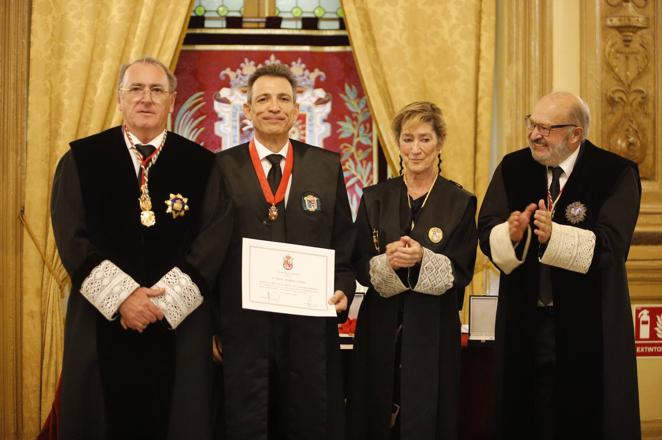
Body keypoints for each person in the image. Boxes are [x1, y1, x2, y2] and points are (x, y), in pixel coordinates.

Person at [51, 57, 232, 439]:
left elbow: (214, 239)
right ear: (119, 98)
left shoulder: (202, 166)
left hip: (178, 329)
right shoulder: (82, 161)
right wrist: (124, 299)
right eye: (136, 89)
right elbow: (71, 236)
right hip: (103, 323)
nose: (145, 98)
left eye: (156, 90)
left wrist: (158, 306)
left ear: (172, 100)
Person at [477, 91, 641, 440]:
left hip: (588, 323)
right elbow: (486, 226)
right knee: (523, 416)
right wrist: (511, 234)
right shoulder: (513, 166)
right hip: (524, 320)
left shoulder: (615, 173)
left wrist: (555, 237)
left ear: (575, 134)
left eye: (546, 128)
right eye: (532, 124)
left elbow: (612, 245)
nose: (534, 135)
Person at [207, 63, 355, 439]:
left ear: (296, 110)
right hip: (242, 328)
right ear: (248, 111)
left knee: (306, 420)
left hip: (307, 329)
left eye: (283, 99)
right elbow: (208, 252)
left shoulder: (325, 167)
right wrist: (211, 324)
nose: (274, 107)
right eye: (264, 99)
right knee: (245, 421)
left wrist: (343, 287)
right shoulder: (220, 168)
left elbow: (343, 243)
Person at [347, 101, 478, 440]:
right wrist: (385, 263)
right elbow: (358, 261)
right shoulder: (374, 196)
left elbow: (463, 268)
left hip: (432, 325)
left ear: (440, 142)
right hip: (379, 324)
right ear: (398, 143)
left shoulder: (460, 201)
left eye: (424, 139)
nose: (415, 149)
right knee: (374, 412)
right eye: (407, 139)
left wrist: (422, 258)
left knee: (426, 416)